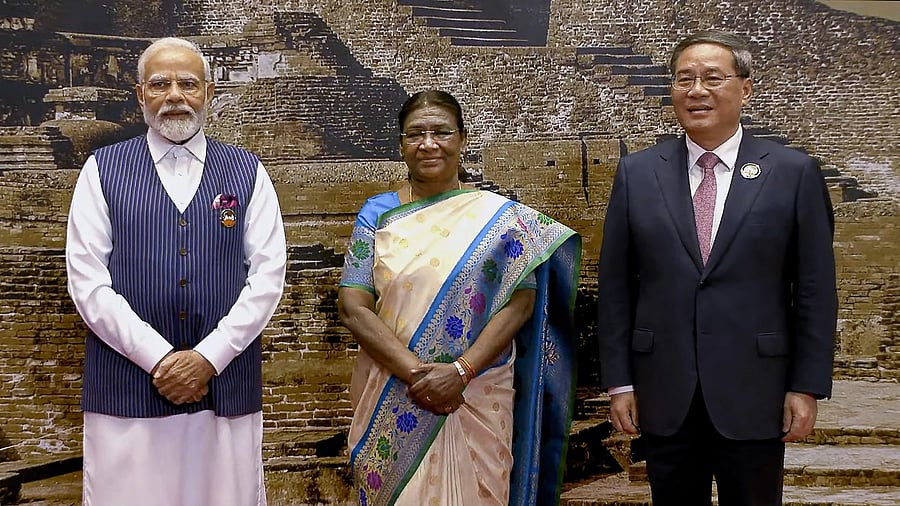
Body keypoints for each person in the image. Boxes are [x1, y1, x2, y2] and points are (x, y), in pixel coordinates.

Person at [597, 30, 837, 506]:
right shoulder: (638, 174)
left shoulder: (792, 172)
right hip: (663, 388)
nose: (696, 91)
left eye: (712, 78)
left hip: (756, 389)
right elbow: (617, 287)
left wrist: (806, 386)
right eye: (684, 79)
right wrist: (620, 382)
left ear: (744, 89)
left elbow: (814, 290)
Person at [65, 37, 286, 506]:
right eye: (160, 84)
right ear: (140, 94)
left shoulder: (247, 171)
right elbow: (87, 282)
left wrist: (208, 357)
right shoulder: (102, 170)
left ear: (208, 91)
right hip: (127, 388)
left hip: (222, 383)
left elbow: (267, 277)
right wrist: (160, 359)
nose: (174, 95)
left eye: (187, 83)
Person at [338, 90, 581, 505]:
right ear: (400, 144)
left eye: (441, 132)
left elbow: (520, 303)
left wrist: (461, 371)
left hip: (478, 392)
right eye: (416, 134)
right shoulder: (376, 214)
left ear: (463, 139)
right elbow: (353, 306)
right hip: (394, 392)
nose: (428, 143)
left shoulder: (500, 217)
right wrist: (418, 374)